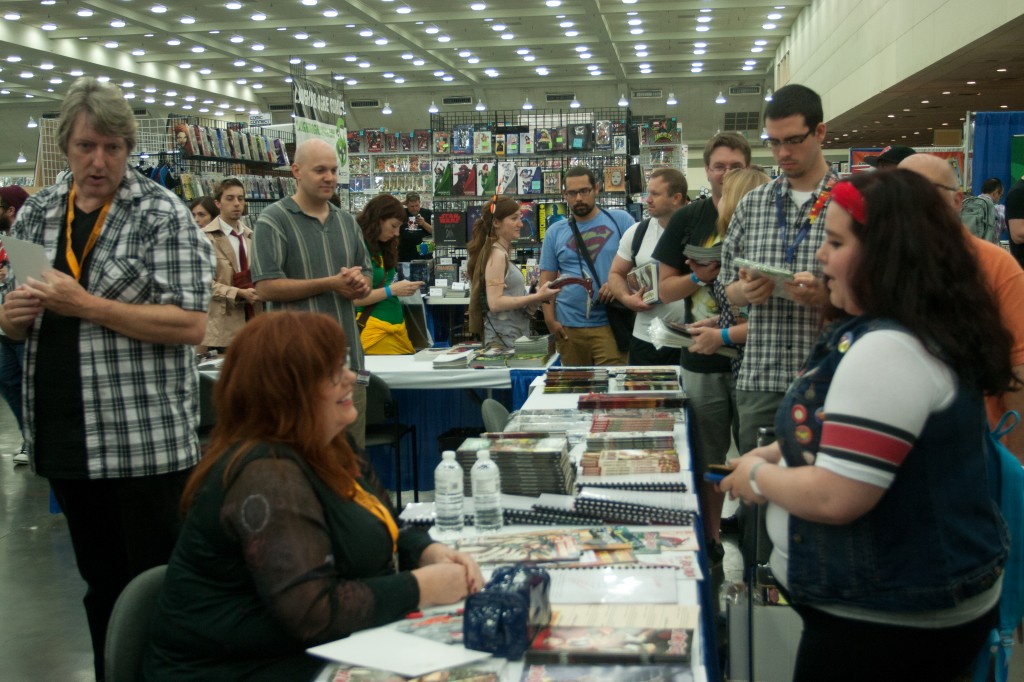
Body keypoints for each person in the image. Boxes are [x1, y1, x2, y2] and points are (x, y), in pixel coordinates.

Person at [720, 170, 1011, 681]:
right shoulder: (894, 328)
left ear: (886, 252)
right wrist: (772, 454)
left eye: (835, 242)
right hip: (884, 609)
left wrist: (758, 479)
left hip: (884, 622)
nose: (820, 257)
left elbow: (838, 495)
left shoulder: (889, 349)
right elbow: (853, 440)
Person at [0, 77, 215, 681]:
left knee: (156, 588)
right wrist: (10, 320)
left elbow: (190, 324)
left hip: (142, 442)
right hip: (65, 439)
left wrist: (87, 304)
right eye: (87, 146)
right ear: (66, 146)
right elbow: (12, 314)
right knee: (100, 588)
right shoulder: (39, 213)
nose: (99, 161)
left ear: (129, 149)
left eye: (114, 148)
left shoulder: (161, 213)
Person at [142, 312, 483, 681]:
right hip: (238, 670)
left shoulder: (331, 447)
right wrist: (420, 587)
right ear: (288, 390)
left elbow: (385, 520)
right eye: (334, 372)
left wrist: (424, 550)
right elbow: (314, 612)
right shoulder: (266, 474)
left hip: (314, 654)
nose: (351, 378)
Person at [653, 156, 767, 549]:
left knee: (756, 459)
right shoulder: (716, 231)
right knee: (714, 454)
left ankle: (758, 547)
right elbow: (663, 288)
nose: (720, 185)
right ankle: (718, 536)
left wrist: (722, 334)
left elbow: (773, 324)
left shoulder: (758, 245)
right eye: (718, 167)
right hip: (713, 363)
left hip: (760, 373)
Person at [719, 84, 838, 455]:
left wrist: (825, 295)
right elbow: (727, 285)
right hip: (761, 376)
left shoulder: (853, 200)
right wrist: (746, 292)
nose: (783, 153)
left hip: (829, 375)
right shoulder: (754, 204)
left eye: (794, 140)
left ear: (819, 132)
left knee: (823, 494)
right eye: (773, 142)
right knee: (757, 492)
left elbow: (879, 291)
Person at [900, 153, 1024, 462]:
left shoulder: (996, 266)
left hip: (977, 446)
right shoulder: (874, 263)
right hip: (894, 443)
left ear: (956, 201)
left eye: (924, 191)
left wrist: (1015, 459)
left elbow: (1018, 367)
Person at [251, 138, 371, 449]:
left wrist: (360, 283)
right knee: (299, 460)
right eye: (320, 170)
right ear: (297, 171)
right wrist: (330, 283)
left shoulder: (347, 223)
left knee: (349, 462)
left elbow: (366, 275)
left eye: (333, 169)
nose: (329, 177)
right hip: (295, 368)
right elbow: (265, 287)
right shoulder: (273, 220)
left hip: (348, 364)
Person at [538, 166, 634, 365]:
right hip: (568, 328)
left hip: (611, 325)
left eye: (584, 191)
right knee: (573, 390)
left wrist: (619, 283)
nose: (579, 198)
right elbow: (546, 282)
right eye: (572, 193)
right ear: (564, 194)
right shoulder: (555, 232)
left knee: (611, 390)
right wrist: (550, 320)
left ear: (596, 189)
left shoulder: (621, 221)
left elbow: (640, 267)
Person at [606, 167, 689, 365]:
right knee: (642, 396)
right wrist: (627, 299)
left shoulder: (700, 231)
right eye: (647, 193)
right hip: (646, 340)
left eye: (655, 194)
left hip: (692, 339)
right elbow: (615, 273)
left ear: (676, 198)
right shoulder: (637, 233)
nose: (648, 200)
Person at [467, 195, 559, 346]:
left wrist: (535, 297)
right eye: (514, 218)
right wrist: (535, 297)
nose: (520, 224)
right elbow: (495, 303)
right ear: (496, 222)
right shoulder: (497, 255)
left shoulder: (499, 253)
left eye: (520, 218)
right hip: (503, 339)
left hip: (511, 336)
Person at [353, 194, 425, 355]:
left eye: (399, 227)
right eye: (393, 226)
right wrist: (392, 290)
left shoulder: (382, 245)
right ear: (378, 219)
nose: (397, 233)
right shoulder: (358, 247)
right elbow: (356, 299)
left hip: (397, 331)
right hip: (375, 332)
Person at [197, 178, 262, 354]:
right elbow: (201, 283)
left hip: (254, 319)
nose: (236, 204)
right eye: (230, 198)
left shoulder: (251, 236)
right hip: (223, 325)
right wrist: (237, 293)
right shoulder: (205, 238)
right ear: (218, 203)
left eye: (240, 199)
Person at [0, 185, 29, 465]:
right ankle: (28, 438)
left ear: (10, 210)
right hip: (6, 329)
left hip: (25, 330)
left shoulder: (26, 240)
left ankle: (32, 441)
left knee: (31, 387)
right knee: (8, 381)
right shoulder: (5, 242)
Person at [399, 191, 433, 262]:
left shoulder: (428, 213)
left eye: (417, 205)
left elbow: (437, 233)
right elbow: (386, 209)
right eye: (412, 206)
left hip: (425, 251)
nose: (414, 208)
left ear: (420, 203)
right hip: (405, 253)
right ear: (406, 204)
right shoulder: (401, 212)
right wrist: (401, 203)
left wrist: (424, 224)